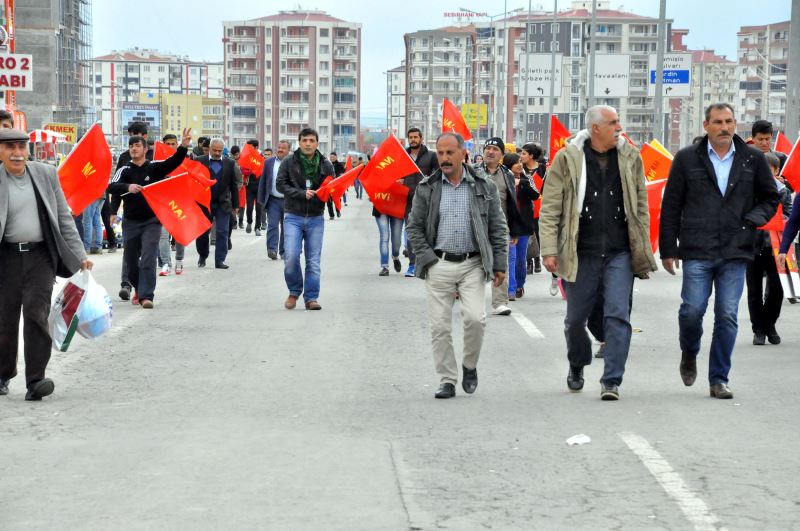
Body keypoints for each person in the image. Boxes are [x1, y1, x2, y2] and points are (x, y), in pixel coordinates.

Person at [660, 103, 779, 399]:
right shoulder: (687, 159)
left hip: (736, 249)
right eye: (717, 122)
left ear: (735, 123)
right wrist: (667, 248)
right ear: (706, 125)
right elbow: (671, 205)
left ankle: (718, 378)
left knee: (727, 315)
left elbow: (769, 198)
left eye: (728, 121)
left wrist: (752, 221)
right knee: (692, 311)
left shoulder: (752, 158)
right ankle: (689, 352)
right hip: (697, 248)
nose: (724, 127)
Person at [539, 105, 657, 400]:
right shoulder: (567, 158)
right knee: (576, 319)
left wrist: (642, 241)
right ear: (595, 129)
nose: (619, 126)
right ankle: (577, 363)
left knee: (618, 315)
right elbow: (550, 207)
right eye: (613, 122)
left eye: (618, 121)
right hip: (581, 251)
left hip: (620, 252)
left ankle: (611, 380)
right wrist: (549, 249)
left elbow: (641, 203)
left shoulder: (630, 156)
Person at [406, 132, 508, 399]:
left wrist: (499, 264)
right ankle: (447, 379)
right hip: (438, 264)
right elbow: (414, 227)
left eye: (450, 153)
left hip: (472, 264)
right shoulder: (427, 187)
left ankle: (469, 365)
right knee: (439, 327)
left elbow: (498, 227)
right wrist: (428, 259)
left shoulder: (483, 186)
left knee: (475, 318)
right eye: (440, 153)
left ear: (464, 154)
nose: (444, 158)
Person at [0, 128, 93, 401]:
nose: (17, 153)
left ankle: (36, 380)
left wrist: (80, 256)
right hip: (5, 257)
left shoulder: (45, 173)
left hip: (41, 256)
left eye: (21, 147)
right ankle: (3, 373)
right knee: (4, 320)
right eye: (10, 148)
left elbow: (63, 217)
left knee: (35, 314)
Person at [108, 128, 192, 308]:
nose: (134, 148)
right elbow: (111, 187)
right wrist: (127, 187)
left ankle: (147, 297)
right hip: (131, 221)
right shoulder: (124, 170)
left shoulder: (154, 168)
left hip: (152, 221)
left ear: (146, 149)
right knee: (130, 260)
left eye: (137, 145)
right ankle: (138, 288)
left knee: (148, 257)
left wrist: (183, 147)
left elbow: (173, 162)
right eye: (131, 146)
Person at [276, 128, 334, 310]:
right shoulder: (288, 162)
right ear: (299, 143)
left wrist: (329, 192)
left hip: (316, 217)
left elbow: (332, 188)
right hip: (293, 215)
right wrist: (301, 193)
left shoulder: (326, 165)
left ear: (317, 143)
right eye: (304, 140)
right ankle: (294, 291)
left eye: (311, 140)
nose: (308, 144)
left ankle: (311, 298)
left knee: (313, 260)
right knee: (291, 256)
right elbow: (280, 185)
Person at [746, 151, 792, 345]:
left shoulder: (783, 191)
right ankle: (758, 329)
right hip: (752, 245)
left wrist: (779, 221)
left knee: (777, 288)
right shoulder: (748, 190)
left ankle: (770, 324)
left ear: (776, 170)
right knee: (754, 289)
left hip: (776, 247)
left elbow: (790, 216)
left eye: (770, 169)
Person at [479, 137, 523, 316]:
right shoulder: (472, 172)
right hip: (476, 226)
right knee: (475, 265)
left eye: (495, 149)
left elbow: (512, 203)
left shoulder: (508, 175)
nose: (490, 152)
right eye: (487, 148)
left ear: (502, 155)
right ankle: (471, 298)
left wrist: (514, 229)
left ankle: (499, 302)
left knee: (501, 264)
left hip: (500, 227)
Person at [194, 138, 241, 269]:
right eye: (214, 150)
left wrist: (236, 206)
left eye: (219, 151)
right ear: (209, 148)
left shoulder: (230, 163)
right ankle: (203, 255)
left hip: (223, 203)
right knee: (202, 233)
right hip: (204, 203)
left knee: (223, 232)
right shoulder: (199, 161)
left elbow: (233, 186)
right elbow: (192, 182)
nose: (216, 153)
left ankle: (220, 260)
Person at [402, 127, 439, 277]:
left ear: (421, 139)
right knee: (412, 232)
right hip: (409, 201)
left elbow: (438, 175)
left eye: (416, 137)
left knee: (430, 232)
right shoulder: (403, 156)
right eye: (410, 137)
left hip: (428, 200)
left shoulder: (431, 156)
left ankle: (430, 262)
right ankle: (412, 264)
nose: (413, 140)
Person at [502, 152, 539, 300]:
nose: (520, 164)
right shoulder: (503, 179)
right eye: (516, 162)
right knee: (511, 257)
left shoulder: (527, 179)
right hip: (508, 225)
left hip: (523, 226)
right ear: (509, 164)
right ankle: (510, 289)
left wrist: (522, 183)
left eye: (520, 162)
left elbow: (536, 195)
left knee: (520, 260)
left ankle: (519, 284)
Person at [157, 133, 186, 276]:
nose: (170, 146)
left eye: (173, 144)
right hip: (162, 203)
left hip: (179, 203)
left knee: (179, 235)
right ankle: (166, 264)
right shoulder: (157, 162)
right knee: (162, 235)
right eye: (167, 144)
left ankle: (179, 260)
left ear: (177, 144)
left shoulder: (184, 160)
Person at [258, 139, 290, 260]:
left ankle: (283, 251)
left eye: (283, 148)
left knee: (286, 227)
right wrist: (261, 199)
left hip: (288, 201)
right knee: (272, 225)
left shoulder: (293, 163)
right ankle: (272, 249)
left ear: (288, 150)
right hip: (273, 200)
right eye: (279, 147)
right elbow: (263, 181)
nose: (280, 150)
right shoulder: (269, 162)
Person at [520, 143, 545, 274]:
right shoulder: (520, 169)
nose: (521, 156)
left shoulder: (543, 169)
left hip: (540, 206)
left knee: (537, 233)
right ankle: (529, 261)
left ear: (531, 155)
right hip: (525, 206)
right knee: (528, 234)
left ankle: (537, 259)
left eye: (524, 153)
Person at [326, 151, 345, 219]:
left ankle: (338, 211)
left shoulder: (339, 165)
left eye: (333, 157)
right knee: (329, 200)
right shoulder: (327, 164)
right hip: (329, 185)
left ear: (336, 157)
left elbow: (343, 173)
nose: (332, 158)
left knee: (337, 199)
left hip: (337, 185)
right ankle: (331, 215)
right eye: (331, 157)